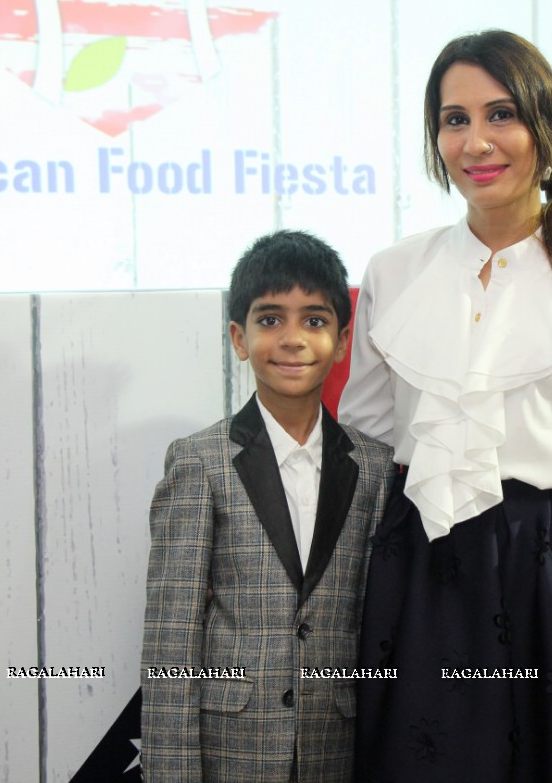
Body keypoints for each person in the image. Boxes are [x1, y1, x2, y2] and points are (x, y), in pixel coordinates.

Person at [339, 30, 552, 783]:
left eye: (500, 114)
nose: (476, 141)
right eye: (453, 119)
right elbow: (365, 449)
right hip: (423, 582)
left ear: (545, 125)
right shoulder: (393, 272)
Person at [140, 230, 394, 782]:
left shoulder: (375, 468)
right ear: (238, 337)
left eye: (315, 321)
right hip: (230, 748)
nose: (293, 340)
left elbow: (380, 624)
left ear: (345, 340)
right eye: (271, 319)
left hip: (340, 748)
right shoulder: (199, 463)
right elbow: (171, 639)